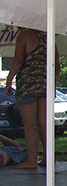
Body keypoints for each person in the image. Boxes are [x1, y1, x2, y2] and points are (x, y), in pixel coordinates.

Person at [3, 27, 60, 168]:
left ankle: (31, 160)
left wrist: (9, 80)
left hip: (28, 85)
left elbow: (18, 61)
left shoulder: (25, 35)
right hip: (46, 83)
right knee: (44, 123)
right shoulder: (49, 37)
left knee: (30, 124)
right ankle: (48, 158)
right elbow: (57, 66)